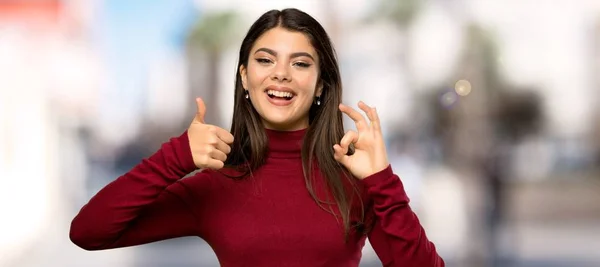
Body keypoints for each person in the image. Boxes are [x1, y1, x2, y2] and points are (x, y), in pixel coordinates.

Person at [69, 8, 444, 267]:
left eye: (300, 63)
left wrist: (382, 181)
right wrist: (176, 155)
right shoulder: (217, 184)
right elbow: (88, 231)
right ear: (245, 77)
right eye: (265, 60)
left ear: (320, 85)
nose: (281, 74)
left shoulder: (354, 180)